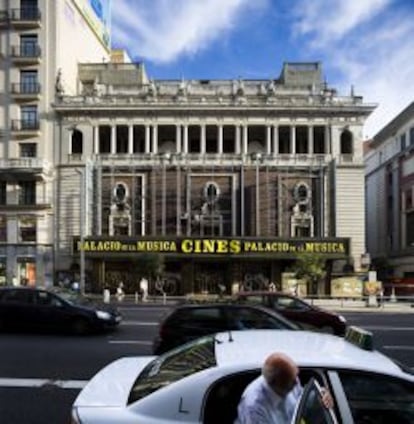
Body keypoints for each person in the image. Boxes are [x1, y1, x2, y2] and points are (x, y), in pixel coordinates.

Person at [235, 352, 333, 424]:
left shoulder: (290, 379)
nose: (296, 382)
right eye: (292, 381)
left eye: (296, 376)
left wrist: (321, 395)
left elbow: (303, 399)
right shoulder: (253, 407)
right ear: (275, 383)